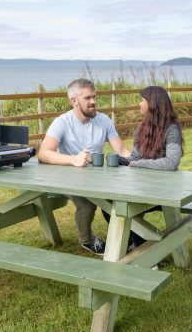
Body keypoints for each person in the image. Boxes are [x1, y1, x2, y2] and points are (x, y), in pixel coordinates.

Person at [37, 78, 131, 255]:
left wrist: (135, 162)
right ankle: (87, 241)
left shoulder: (103, 120)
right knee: (87, 203)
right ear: (74, 101)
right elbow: (43, 153)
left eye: (94, 97)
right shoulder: (62, 122)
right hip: (67, 177)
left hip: (98, 177)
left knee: (120, 197)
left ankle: (128, 237)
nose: (93, 102)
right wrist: (73, 159)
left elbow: (121, 149)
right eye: (88, 98)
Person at [103, 85, 184, 250]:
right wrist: (120, 160)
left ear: (152, 104)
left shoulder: (172, 130)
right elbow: (134, 158)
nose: (139, 104)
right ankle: (140, 242)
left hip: (164, 191)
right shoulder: (141, 129)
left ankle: (143, 244)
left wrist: (137, 164)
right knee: (108, 202)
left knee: (117, 204)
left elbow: (171, 163)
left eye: (142, 100)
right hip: (141, 188)